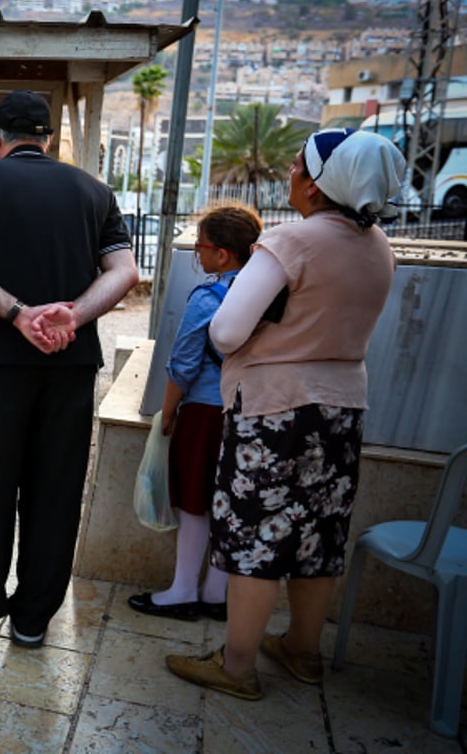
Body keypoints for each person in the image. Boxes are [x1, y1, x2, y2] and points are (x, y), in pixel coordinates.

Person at [166, 128, 402, 700]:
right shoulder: (379, 248)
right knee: (319, 537)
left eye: (298, 166)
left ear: (319, 184)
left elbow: (225, 330)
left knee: (255, 535)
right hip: (343, 408)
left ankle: (238, 665)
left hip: (274, 410)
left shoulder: (292, 242)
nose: (290, 174)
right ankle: (302, 650)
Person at [0, 89, 139, 649]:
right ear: (49, 139)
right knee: (56, 489)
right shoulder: (94, 191)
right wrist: (71, 314)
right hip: (71, 364)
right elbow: (124, 272)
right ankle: (32, 621)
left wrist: (18, 315)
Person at [128, 201, 262, 622]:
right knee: (229, 502)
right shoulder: (265, 294)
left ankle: (183, 589)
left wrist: (168, 413)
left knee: (194, 503)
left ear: (222, 254)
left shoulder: (209, 297)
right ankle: (216, 594)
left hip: (204, 412)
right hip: (252, 413)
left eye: (200, 246)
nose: (198, 255)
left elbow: (183, 364)